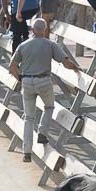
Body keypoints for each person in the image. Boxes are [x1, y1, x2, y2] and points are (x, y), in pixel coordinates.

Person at [9, 18, 80, 161]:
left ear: (33, 29)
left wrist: (21, 79)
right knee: (49, 107)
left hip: (27, 81)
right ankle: (42, 132)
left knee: (29, 117)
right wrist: (76, 68)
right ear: (45, 29)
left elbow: (12, 66)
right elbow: (65, 63)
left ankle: (26, 152)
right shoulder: (50, 44)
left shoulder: (23, 45)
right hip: (44, 80)